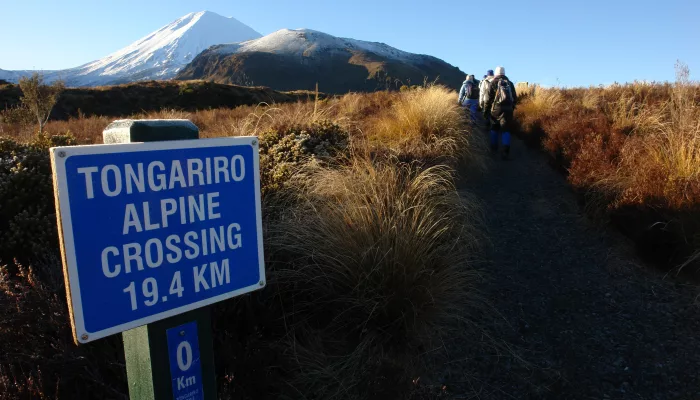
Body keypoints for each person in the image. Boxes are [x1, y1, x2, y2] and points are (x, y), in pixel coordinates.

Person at [483, 66, 517, 159]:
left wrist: (486, 111)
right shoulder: (510, 83)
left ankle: (494, 149)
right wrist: (512, 107)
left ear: (496, 73)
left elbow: (487, 99)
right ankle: (505, 151)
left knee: (494, 127)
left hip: (496, 109)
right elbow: (515, 98)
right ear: (504, 73)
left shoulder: (493, 82)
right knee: (506, 129)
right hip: (508, 109)